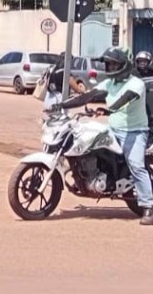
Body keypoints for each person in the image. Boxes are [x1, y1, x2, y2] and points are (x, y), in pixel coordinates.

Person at [59, 47, 153, 225]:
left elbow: (125, 99)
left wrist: (108, 109)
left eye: (113, 64)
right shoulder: (110, 83)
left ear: (123, 65)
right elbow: (88, 96)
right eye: (108, 65)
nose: (109, 68)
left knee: (136, 165)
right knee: (91, 144)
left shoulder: (136, 84)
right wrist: (61, 105)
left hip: (134, 131)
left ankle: (149, 206)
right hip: (114, 129)